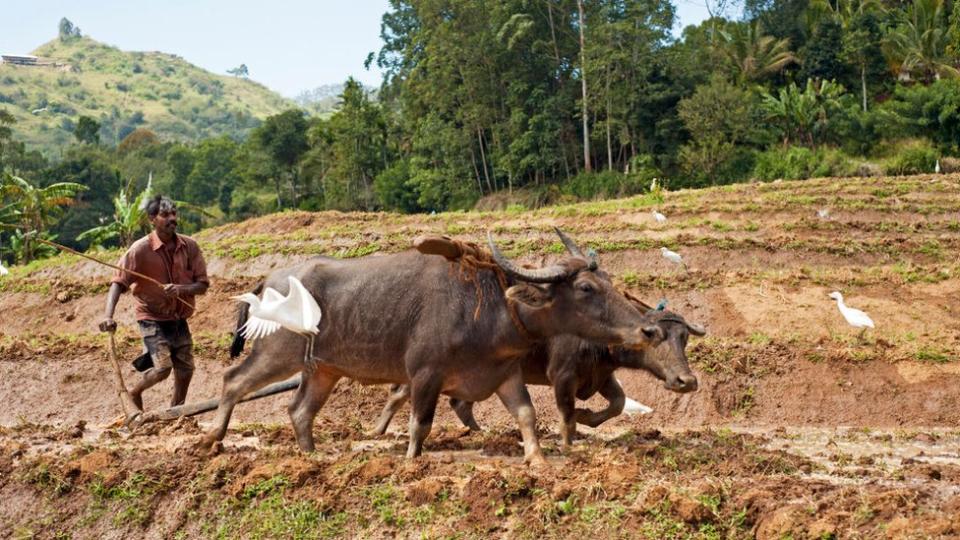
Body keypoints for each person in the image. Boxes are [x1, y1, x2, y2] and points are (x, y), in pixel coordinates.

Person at [99, 195, 209, 409]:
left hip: (178, 318)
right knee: (163, 368)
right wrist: (108, 316)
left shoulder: (190, 247)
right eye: (165, 215)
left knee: (186, 369)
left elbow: (203, 285)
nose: (172, 219)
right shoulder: (140, 250)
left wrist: (181, 289)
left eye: (174, 213)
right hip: (152, 318)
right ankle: (134, 392)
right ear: (152, 219)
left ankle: (176, 411)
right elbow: (118, 283)